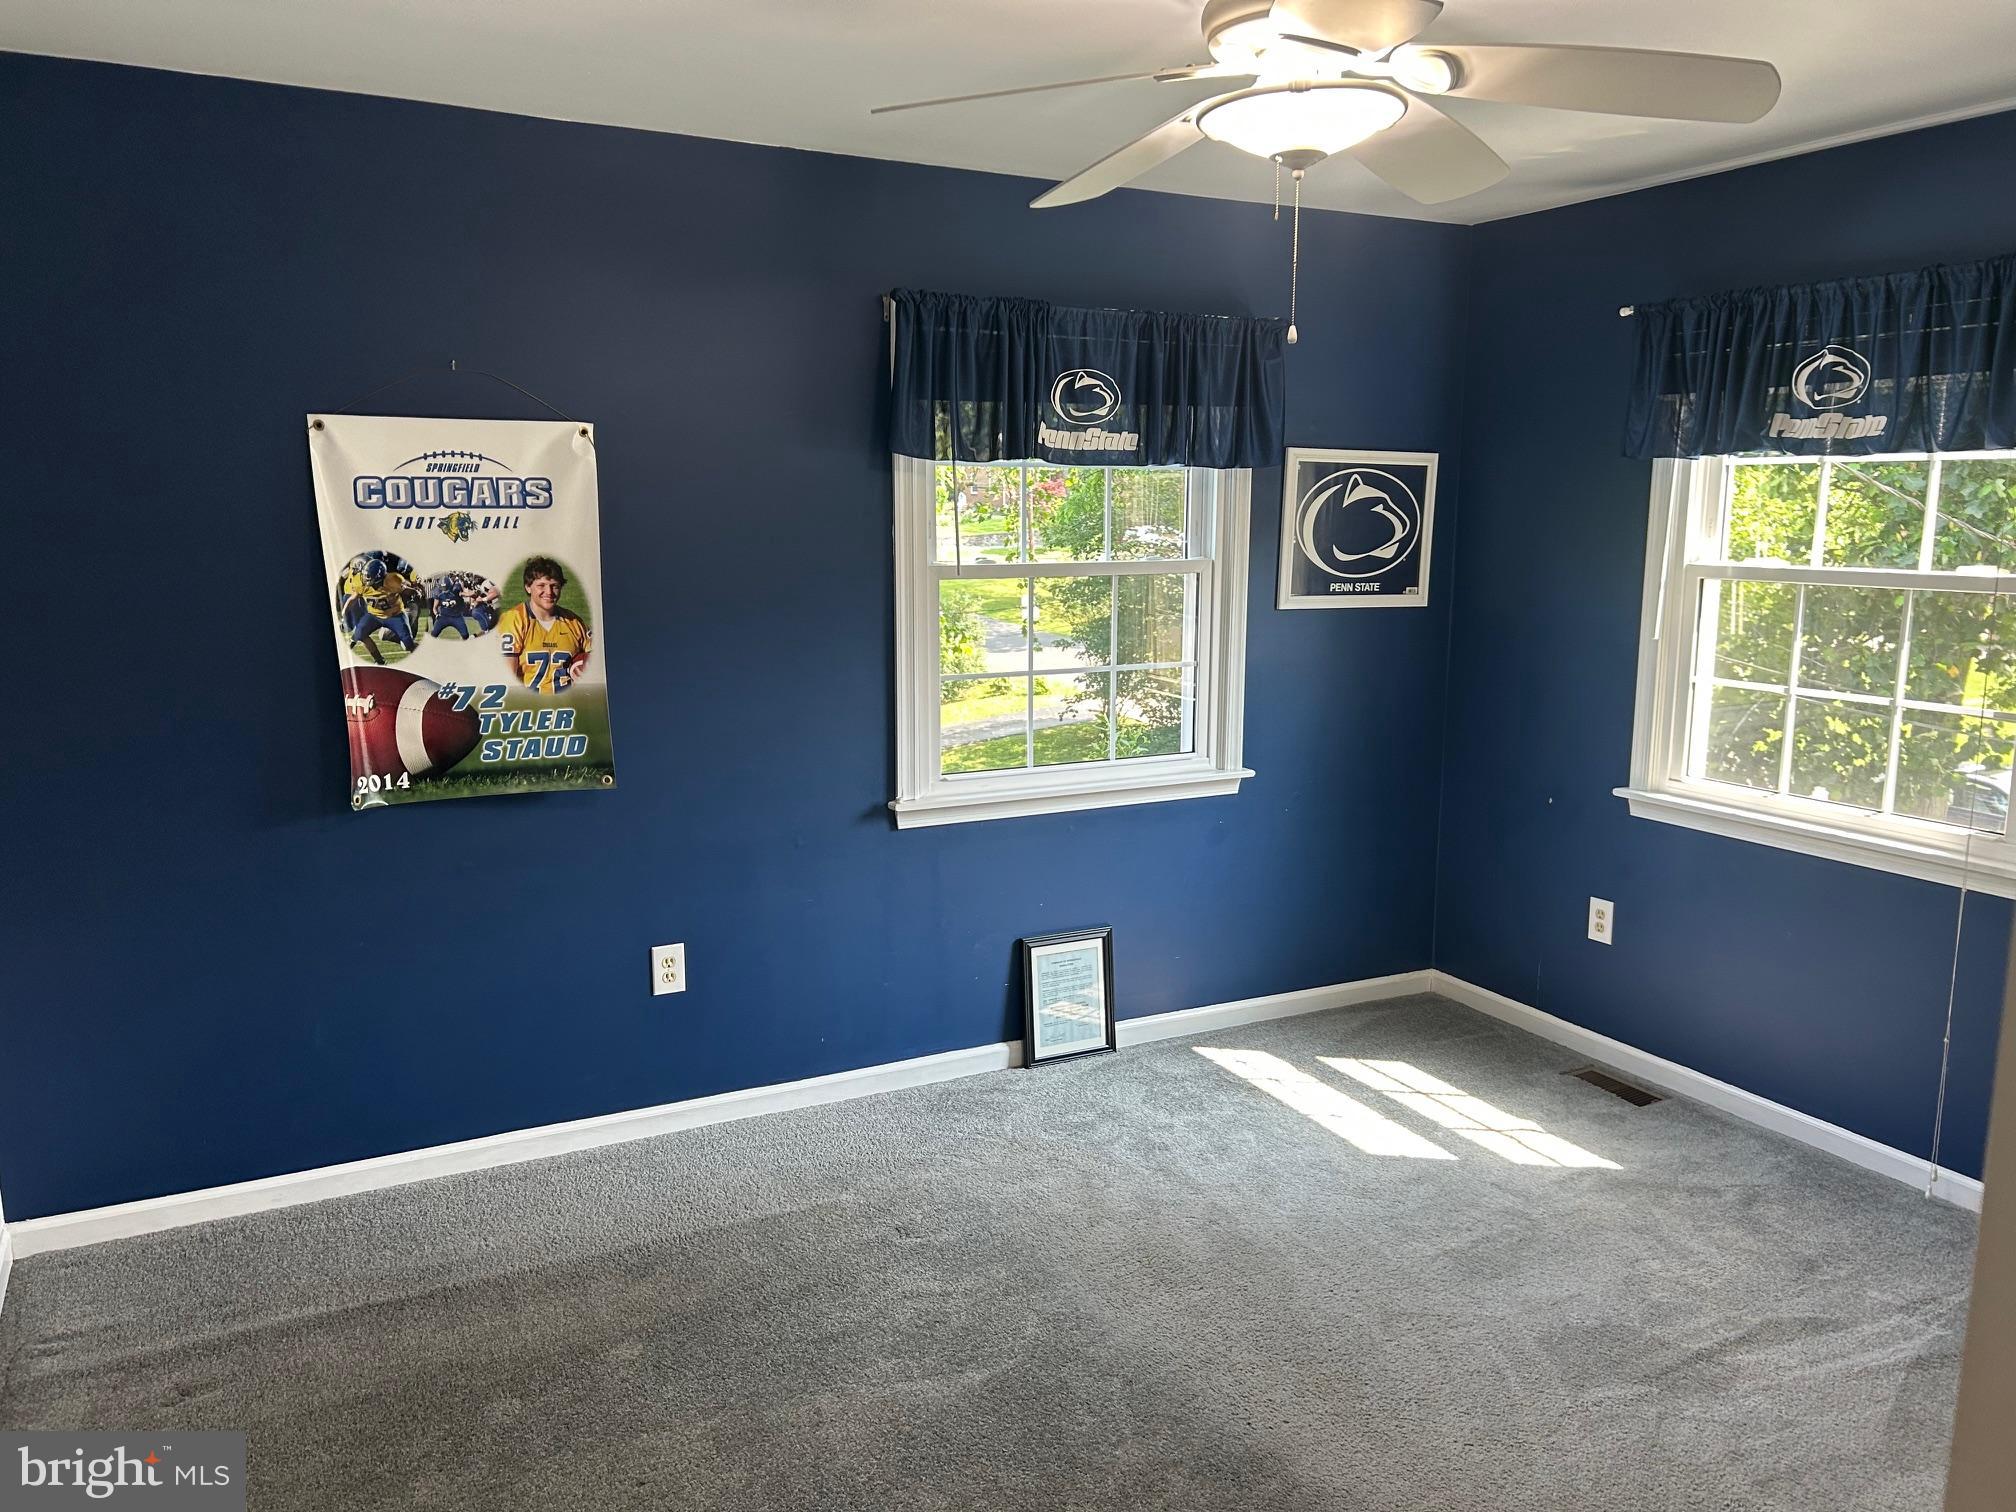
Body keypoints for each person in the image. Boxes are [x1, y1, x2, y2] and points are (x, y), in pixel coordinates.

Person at [496, 556, 591, 692]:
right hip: (530, 705)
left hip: (568, 703)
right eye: (541, 585)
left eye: (555, 586)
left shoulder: (574, 622)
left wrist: (581, 668)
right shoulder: (514, 620)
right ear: (528, 587)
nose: (549, 592)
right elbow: (506, 677)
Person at [339, 554, 417, 653]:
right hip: (374, 615)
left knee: (408, 645)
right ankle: (379, 661)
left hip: (395, 615)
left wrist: (413, 591)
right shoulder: (361, 582)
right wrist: (344, 613)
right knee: (359, 633)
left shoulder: (392, 580)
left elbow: (407, 589)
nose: (367, 579)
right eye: (366, 575)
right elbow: (352, 599)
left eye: (369, 577)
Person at [426, 574, 477, 640]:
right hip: (444, 617)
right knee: (433, 634)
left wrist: (475, 592)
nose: (444, 590)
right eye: (443, 588)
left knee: (465, 636)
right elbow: (434, 608)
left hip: (457, 617)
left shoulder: (456, 590)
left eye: (446, 588)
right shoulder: (438, 592)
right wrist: (436, 614)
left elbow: (467, 594)